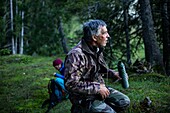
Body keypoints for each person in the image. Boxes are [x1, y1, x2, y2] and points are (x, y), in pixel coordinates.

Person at [64, 19, 130, 113]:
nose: (108, 36)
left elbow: (99, 69)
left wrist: (113, 74)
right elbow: (70, 84)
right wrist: (97, 88)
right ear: (94, 37)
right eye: (104, 33)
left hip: (99, 90)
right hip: (84, 97)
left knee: (124, 101)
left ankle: (101, 107)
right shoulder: (76, 55)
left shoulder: (97, 49)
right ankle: (80, 109)